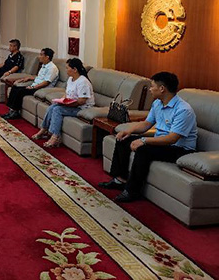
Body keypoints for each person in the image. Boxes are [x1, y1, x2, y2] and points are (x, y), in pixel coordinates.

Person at [99, 72, 197, 203]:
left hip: (179, 149)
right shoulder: (157, 103)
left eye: (152, 86)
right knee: (123, 140)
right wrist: (128, 131)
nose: (150, 89)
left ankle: (132, 191)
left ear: (162, 89)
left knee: (143, 150)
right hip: (162, 142)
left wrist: (144, 140)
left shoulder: (183, 110)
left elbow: (172, 138)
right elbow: (146, 124)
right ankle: (120, 180)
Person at [33, 58, 94, 148]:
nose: (66, 70)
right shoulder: (70, 79)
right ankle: (43, 129)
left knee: (57, 110)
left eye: (67, 68)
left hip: (81, 108)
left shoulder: (83, 82)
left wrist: (68, 104)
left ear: (74, 69)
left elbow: (82, 101)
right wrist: (61, 100)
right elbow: (67, 93)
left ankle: (55, 136)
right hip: (72, 105)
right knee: (52, 106)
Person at [1, 48, 59, 120]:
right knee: (15, 88)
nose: (39, 57)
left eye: (41, 55)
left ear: (47, 57)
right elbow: (39, 77)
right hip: (35, 85)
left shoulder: (52, 68)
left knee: (20, 92)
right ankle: (11, 110)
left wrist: (33, 87)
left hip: (41, 89)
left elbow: (46, 82)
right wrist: (29, 78)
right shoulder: (44, 65)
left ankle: (15, 112)